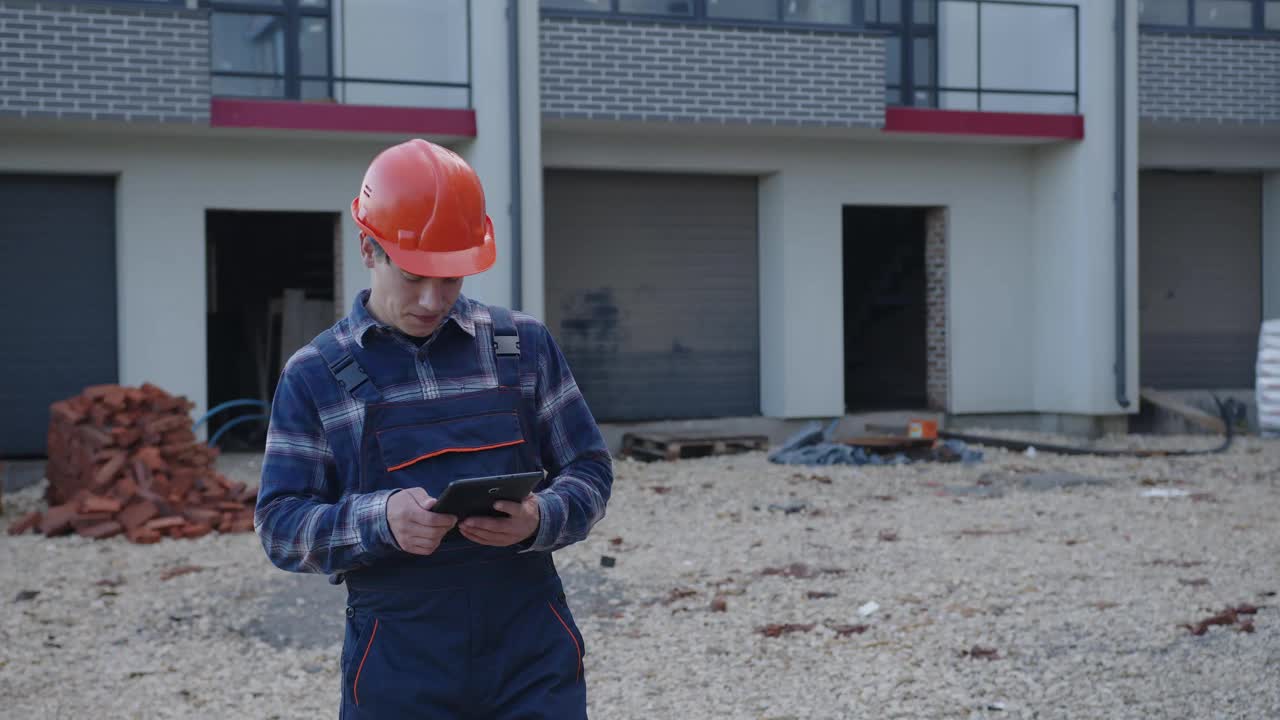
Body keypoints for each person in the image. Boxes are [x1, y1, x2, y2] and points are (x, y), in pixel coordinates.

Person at [254, 138, 613, 719]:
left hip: (530, 646)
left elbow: (590, 470)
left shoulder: (521, 348)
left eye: (450, 279)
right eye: (415, 275)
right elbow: (279, 527)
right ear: (369, 247)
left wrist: (539, 518)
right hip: (399, 656)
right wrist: (381, 520)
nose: (432, 300)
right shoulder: (316, 375)